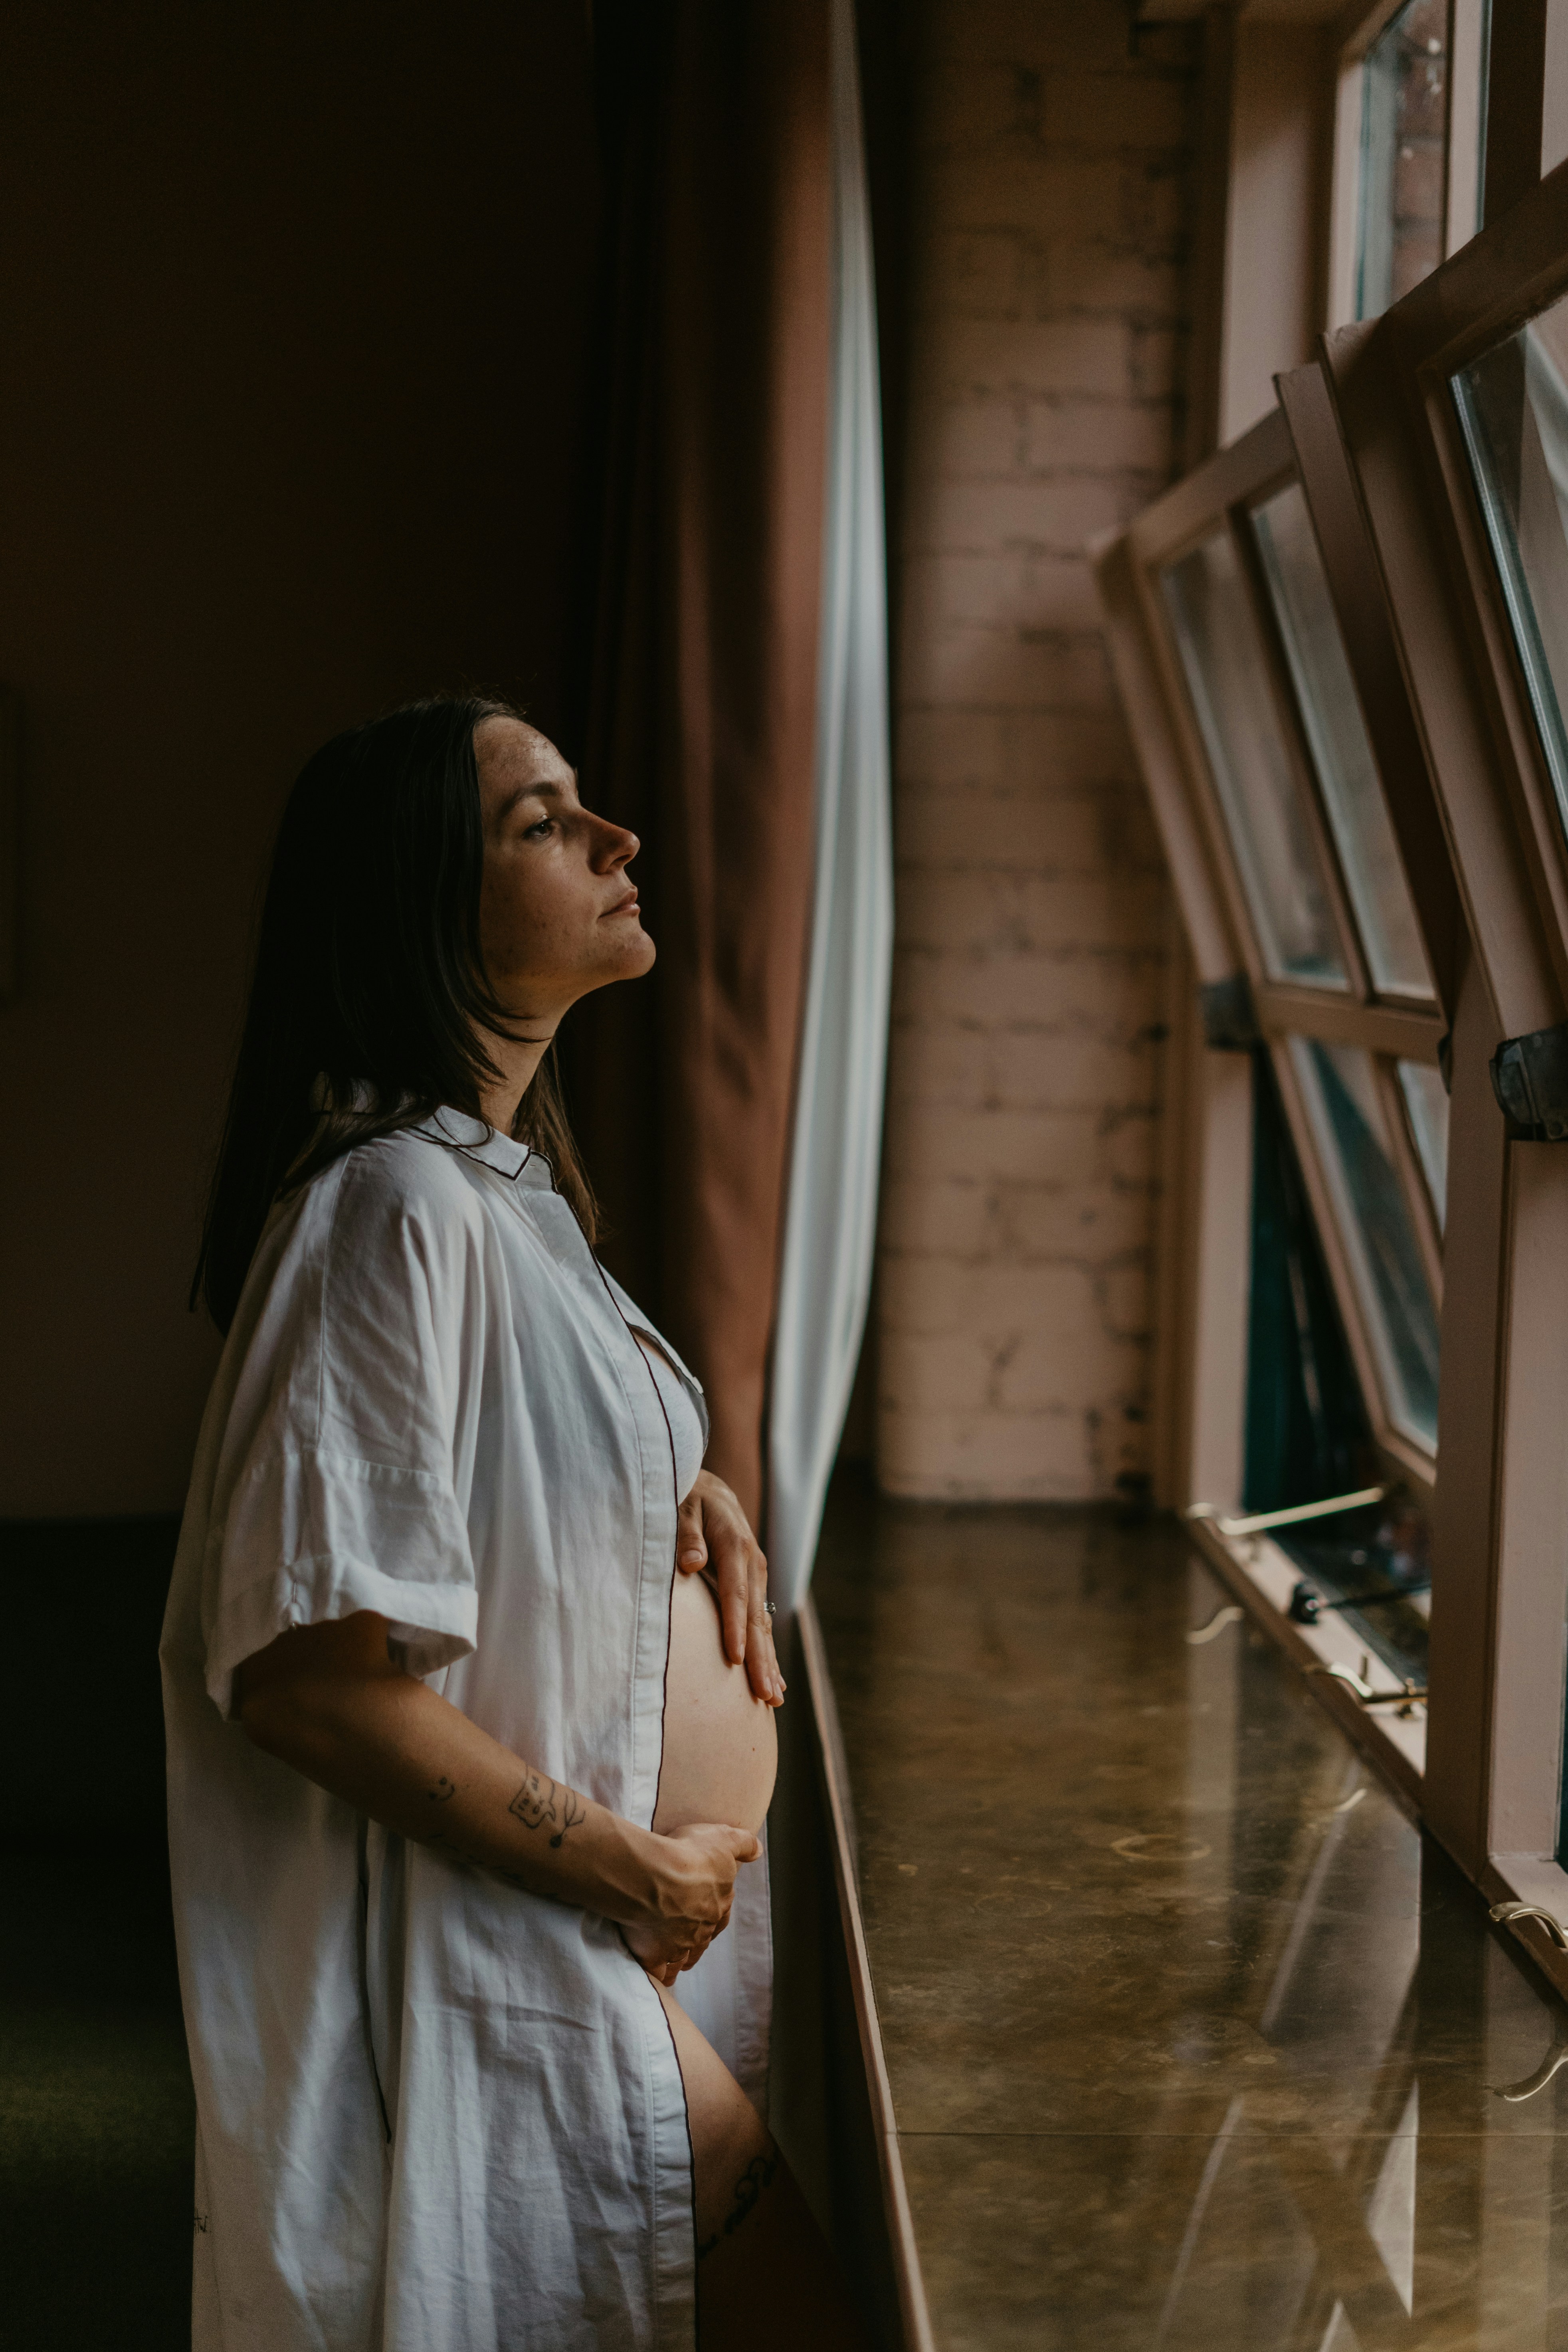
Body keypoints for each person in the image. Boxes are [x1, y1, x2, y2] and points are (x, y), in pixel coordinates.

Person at [160, 697, 869, 2349]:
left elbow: (484, 1476)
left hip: (585, 1963)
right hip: (519, 1956)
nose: (616, 840)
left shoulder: (499, 1194)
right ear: (420, 900)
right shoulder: (388, 1205)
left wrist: (669, 1489)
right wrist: (631, 1866)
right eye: (541, 821)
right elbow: (304, 1677)